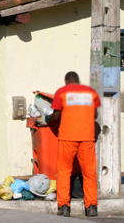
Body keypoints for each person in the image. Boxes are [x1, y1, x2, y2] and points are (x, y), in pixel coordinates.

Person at [49, 71, 100, 217]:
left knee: (64, 172)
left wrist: (49, 117)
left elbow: (56, 115)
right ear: (78, 81)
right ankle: (91, 207)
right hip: (87, 137)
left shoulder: (62, 92)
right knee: (89, 173)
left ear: (66, 81)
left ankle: (64, 207)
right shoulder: (90, 92)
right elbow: (95, 115)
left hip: (67, 138)